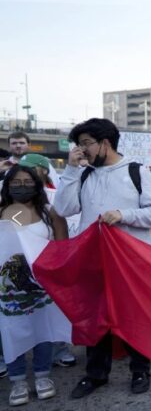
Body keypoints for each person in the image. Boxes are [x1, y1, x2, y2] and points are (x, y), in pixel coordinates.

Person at [53, 118, 151, 398]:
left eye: (86, 143)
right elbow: (63, 208)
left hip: (130, 261)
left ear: (105, 143)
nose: (82, 150)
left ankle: (140, 371)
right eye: (78, 145)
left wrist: (124, 215)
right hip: (93, 260)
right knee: (95, 316)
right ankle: (96, 374)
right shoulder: (83, 174)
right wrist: (70, 169)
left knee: (133, 315)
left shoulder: (137, 171)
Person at [0, 165, 68, 406]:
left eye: (27, 182)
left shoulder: (50, 213)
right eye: (15, 183)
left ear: (37, 185)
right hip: (7, 287)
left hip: (42, 284)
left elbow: (62, 247)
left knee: (43, 329)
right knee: (11, 330)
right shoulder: (1, 212)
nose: (21, 187)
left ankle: (42, 376)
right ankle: (17, 380)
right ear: (7, 186)